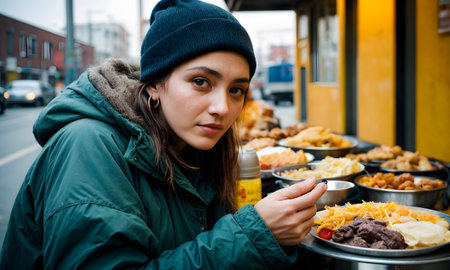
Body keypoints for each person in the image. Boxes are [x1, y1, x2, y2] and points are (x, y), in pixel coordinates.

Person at [0, 0, 327, 269]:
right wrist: (254, 235)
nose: (222, 108)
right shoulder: (88, 145)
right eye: (201, 81)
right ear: (155, 84)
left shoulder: (197, 146)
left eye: (237, 89)